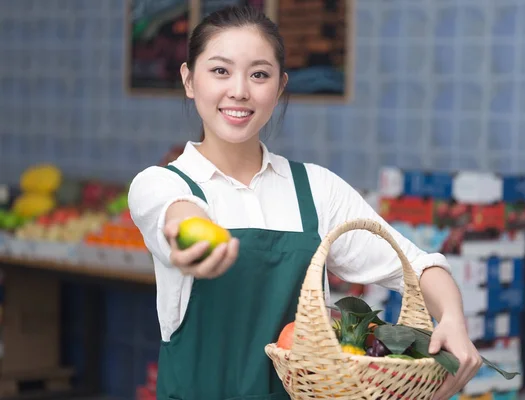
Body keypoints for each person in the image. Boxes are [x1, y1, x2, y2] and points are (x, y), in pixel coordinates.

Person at [128, 5, 482, 400]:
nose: (240, 90)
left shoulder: (314, 188)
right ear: (189, 80)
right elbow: (176, 213)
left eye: (259, 74)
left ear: (279, 87)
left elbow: (416, 265)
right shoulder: (159, 183)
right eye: (220, 71)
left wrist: (452, 316)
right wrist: (194, 236)